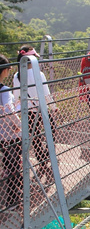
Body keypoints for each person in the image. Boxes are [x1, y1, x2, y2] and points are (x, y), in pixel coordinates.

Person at [13, 45, 57, 183]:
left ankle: (41, 159)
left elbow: (16, 97)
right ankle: (48, 154)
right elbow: (46, 93)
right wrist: (53, 107)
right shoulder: (39, 74)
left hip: (28, 111)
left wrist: (17, 111)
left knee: (35, 136)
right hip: (41, 109)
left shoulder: (17, 75)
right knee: (52, 130)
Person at [0, 55, 22, 208]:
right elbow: (9, 109)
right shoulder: (4, 90)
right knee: (14, 166)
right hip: (8, 134)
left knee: (7, 165)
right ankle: (13, 200)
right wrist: (19, 125)